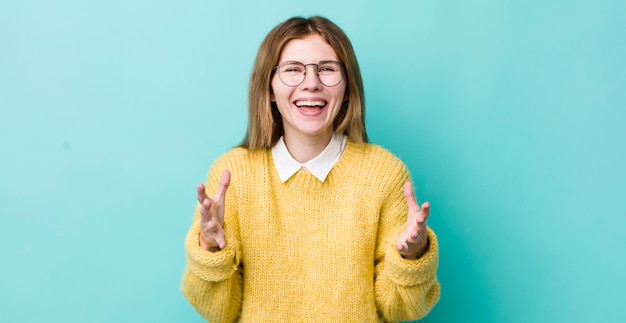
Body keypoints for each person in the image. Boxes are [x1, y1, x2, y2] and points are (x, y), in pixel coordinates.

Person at [181, 16, 440, 322]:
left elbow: (399, 309)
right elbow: (219, 311)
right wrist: (210, 249)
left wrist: (412, 255)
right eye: (293, 69)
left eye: (327, 69)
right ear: (269, 89)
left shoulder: (384, 174)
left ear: (347, 88)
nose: (312, 82)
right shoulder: (232, 174)